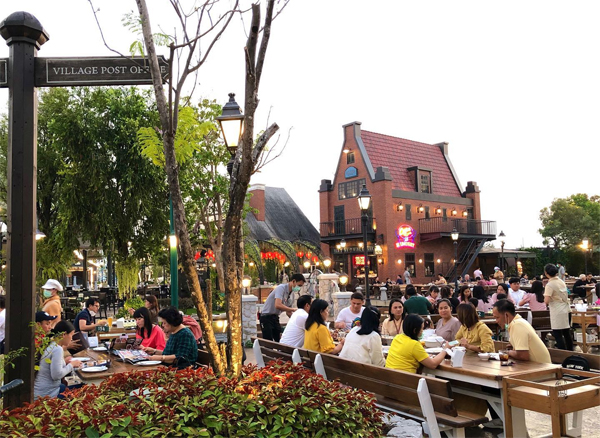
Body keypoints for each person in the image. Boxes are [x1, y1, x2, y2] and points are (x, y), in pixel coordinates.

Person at [34, 320, 82, 400]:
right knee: (83, 388)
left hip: (41, 391)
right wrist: (72, 365)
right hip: (48, 394)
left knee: (67, 386)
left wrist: (65, 362)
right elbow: (57, 375)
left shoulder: (51, 344)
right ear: (64, 334)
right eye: (71, 335)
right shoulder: (57, 349)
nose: (72, 338)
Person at [259, 273, 305, 342]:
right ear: (293, 281)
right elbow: (277, 305)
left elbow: (288, 312)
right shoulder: (281, 288)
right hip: (266, 317)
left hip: (275, 317)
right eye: (299, 285)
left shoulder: (292, 295)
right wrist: (293, 309)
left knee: (279, 340)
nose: (299, 288)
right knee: (268, 341)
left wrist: (295, 321)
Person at [543, 264, 573, 351]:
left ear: (546, 273)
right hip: (566, 309)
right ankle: (570, 351)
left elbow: (546, 300)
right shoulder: (561, 281)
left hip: (557, 310)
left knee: (557, 333)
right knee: (566, 333)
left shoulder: (549, 285)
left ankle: (562, 352)